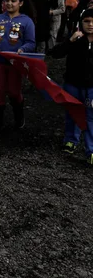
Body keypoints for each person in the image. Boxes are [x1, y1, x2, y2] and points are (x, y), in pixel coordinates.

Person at [0, 0, 36, 135]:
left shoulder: (27, 21)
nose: (9, 3)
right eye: (7, 0)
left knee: (13, 91)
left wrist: (23, 49)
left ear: (21, 3)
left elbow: (31, 42)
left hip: (15, 63)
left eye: (13, 1)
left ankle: (19, 118)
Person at [49, 9, 93, 164]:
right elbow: (55, 53)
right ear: (81, 22)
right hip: (72, 84)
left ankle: (91, 150)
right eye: (87, 21)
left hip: (91, 88)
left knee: (90, 117)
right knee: (72, 113)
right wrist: (70, 41)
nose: (90, 24)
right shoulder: (75, 39)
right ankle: (71, 140)